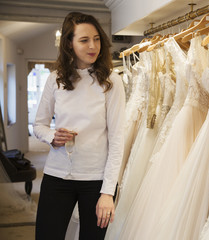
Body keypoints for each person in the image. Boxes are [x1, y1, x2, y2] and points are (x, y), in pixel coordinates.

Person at [33, 12, 125, 240]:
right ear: (69, 43)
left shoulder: (112, 82)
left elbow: (117, 140)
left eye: (96, 39)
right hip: (57, 176)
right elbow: (39, 125)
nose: (93, 46)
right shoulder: (55, 79)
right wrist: (52, 136)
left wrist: (107, 192)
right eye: (84, 40)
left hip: (96, 181)